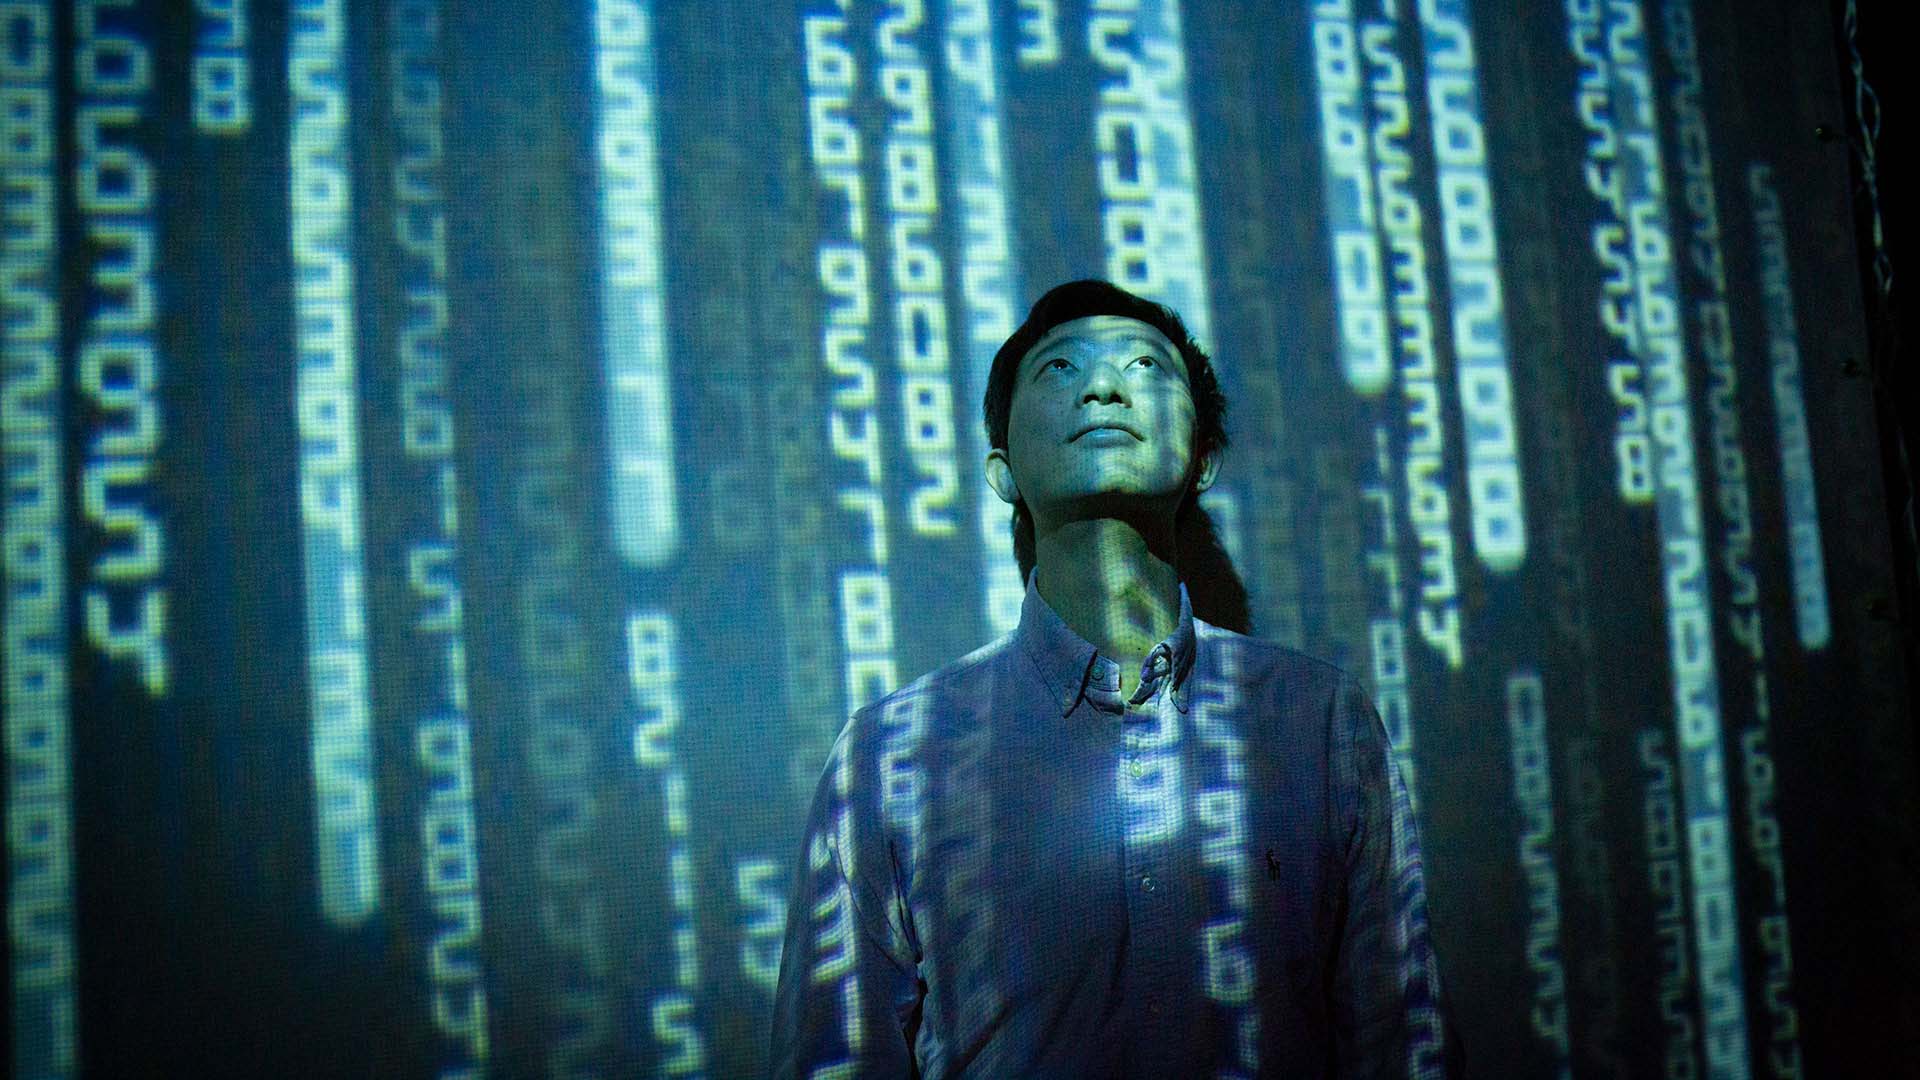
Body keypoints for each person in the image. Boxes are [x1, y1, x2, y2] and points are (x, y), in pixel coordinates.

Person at [770, 280, 1462, 1077]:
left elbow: (1403, 1041)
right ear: (1001, 469)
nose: (1103, 387)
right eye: (1059, 370)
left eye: (1145, 366)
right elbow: (833, 1057)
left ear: (1202, 459)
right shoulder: (894, 753)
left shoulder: (1319, 723)